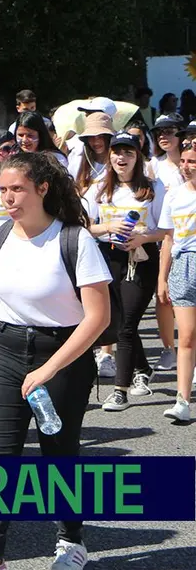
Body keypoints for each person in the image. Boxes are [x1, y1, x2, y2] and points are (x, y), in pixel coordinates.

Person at [0, 152, 109, 570]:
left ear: (42, 189)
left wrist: (50, 368)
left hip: (63, 354)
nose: (9, 198)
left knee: (59, 454)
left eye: (17, 189)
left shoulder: (74, 240)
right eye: (3, 190)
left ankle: (71, 541)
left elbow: (98, 317)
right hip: (7, 350)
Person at [85, 133, 167, 410]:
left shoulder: (154, 188)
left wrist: (142, 238)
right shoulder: (98, 188)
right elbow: (86, 226)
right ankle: (142, 369)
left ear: (138, 157)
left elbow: (164, 232)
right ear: (109, 156)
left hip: (141, 260)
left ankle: (119, 391)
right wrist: (109, 228)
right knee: (119, 322)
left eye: (128, 153)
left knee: (128, 323)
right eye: (117, 152)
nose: (122, 158)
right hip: (107, 259)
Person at [157, 138, 196, 422]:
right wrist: (163, 277)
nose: (185, 167)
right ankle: (182, 399)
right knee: (188, 335)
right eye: (183, 161)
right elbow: (169, 238)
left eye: (192, 162)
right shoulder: (174, 195)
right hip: (182, 265)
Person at [150, 113, 186, 372]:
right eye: (159, 132)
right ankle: (168, 349)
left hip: (187, 238)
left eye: (170, 131)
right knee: (162, 296)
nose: (164, 136)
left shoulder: (189, 163)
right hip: (161, 237)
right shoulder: (153, 166)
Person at [70, 111, 114, 188]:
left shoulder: (119, 161)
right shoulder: (77, 160)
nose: (96, 141)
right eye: (91, 136)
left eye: (101, 136)